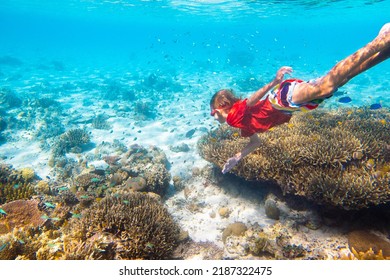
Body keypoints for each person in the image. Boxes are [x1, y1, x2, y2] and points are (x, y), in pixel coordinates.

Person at [210, 23, 390, 174]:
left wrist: (275, 81)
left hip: (281, 99)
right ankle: (384, 52)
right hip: (288, 105)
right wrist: (236, 158)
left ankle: (380, 40)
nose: (213, 116)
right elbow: (255, 142)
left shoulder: (233, 117)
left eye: (212, 112)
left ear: (221, 106)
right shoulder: (242, 125)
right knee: (337, 83)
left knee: (327, 85)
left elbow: (252, 100)